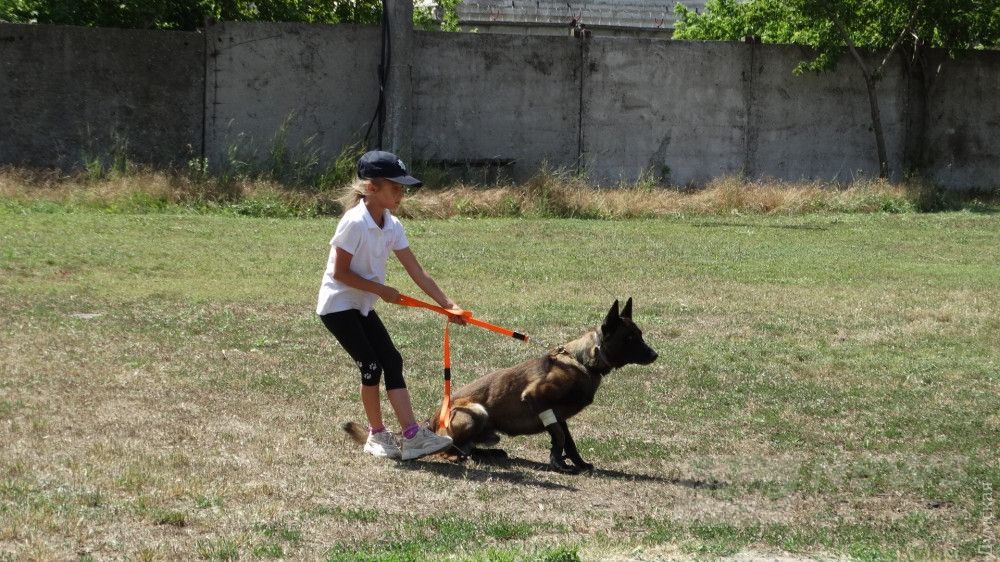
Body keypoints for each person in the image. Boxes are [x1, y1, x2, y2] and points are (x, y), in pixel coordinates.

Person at [317, 150, 462, 461]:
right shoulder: (354, 222)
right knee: (371, 364)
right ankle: (377, 434)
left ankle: (411, 435)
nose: (401, 194)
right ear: (372, 188)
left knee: (391, 360)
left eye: (402, 188)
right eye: (395, 188)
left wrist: (449, 305)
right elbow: (338, 273)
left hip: (362, 305)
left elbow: (416, 270)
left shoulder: (392, 225)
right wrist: (381, 290)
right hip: (338, 305)